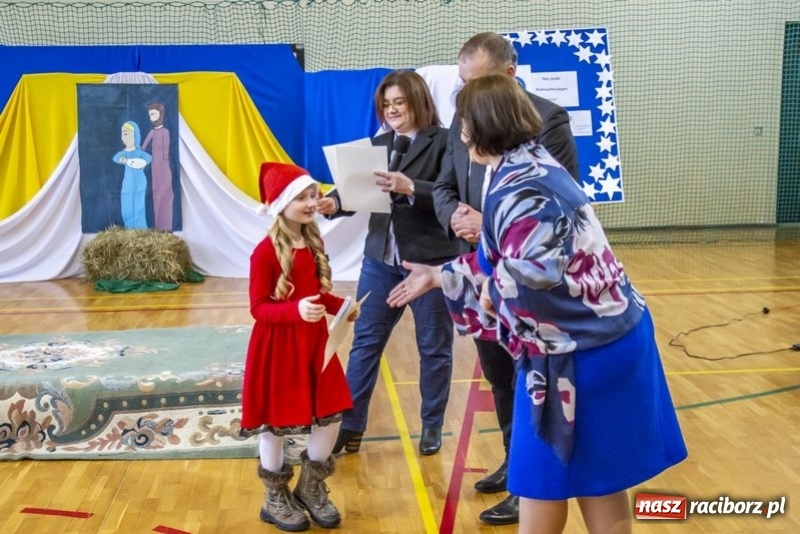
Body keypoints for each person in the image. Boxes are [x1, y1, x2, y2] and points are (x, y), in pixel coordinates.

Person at [390, 74, 687, 534]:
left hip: (580, 354)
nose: (459, 133)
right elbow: (514, 258)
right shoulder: (528, 163)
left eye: (463, 122)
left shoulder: (521, 186)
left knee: (541, 481)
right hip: (604, 339)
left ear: (481, 125)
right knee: (596, 481)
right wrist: (442, 275)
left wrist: (479, 287)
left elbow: (533, 272)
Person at [431, 31, 579, 525]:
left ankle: (532, 481)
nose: (468, 98)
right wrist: (455, 214)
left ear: (509, 76)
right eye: (463, 84)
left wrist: (487, 224)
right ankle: (518, 464)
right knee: (498, 375)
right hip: (482, 267)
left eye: (479, 83)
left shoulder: (546, 121)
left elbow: (553, 211)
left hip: (522, 281)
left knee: (530, 375)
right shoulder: (464, 116)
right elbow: (445, 184)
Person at [317, 70, 460, 456]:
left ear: (417, 101)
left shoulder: (445, 142)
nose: (392, 109)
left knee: (434, 348)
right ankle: (350, 426)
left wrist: (410, 186)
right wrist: (334, 203)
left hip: (430, 264)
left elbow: (454, 195)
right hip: (380, 261)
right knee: (364, 343)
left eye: (399, 102)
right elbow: (356, 188)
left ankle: (431, 426)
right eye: (386, 103)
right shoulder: (379, 142)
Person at [240, 162, 359, 532]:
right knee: (276, 423)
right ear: (282, 203)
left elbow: (318, 294)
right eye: (302, 197)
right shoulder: (264, 252)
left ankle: (311, 486)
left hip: (315, 346)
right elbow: (259, 307)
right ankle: (274, 496)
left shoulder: (313, 242)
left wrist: (341, 307)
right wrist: (296, 310)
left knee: (332, 412)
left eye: (313, 195)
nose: (312, 202)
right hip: (277, 348)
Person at [113, 120, 152, 229]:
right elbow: (116, 158)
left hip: (140, 182)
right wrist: (123, 160)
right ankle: (129, 228)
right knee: (127, 205)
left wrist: (142, 162)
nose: (124, 137)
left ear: (135, 135)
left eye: (126, 133)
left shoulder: (140, 153)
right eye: (123, 134)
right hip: (127, 184)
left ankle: (141, 229)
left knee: (139, 205)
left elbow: (149, 158)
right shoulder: (123, 153)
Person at [142, 102, 174, 231]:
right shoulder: (152, 132)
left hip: (164, 167)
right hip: (155, 166)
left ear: (160, 114)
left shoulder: (165, 132)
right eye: (150, 115)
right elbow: (144, 146)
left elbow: (166, 151)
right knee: (156, 194)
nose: (151, 117)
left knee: (166, 194)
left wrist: (164, 158)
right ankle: (159, 225)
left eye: (153, 114)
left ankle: (167, 225)